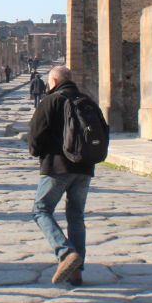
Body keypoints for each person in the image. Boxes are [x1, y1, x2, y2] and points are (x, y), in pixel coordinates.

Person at [27, 65, 103, 286]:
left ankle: (65, 252)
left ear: (54, 82)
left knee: (41, 210)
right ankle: (76, 271)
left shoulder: (51, 101)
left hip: (57, 167)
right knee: (76, 215)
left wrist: (38, 153)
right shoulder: (87, 100)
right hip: (85, 168)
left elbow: (35, 136)